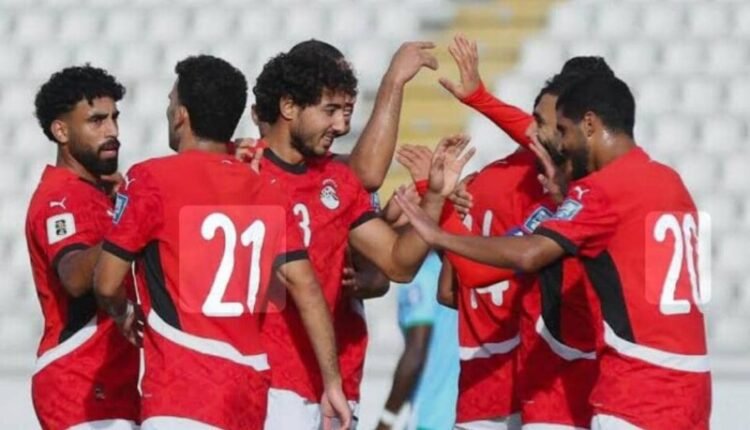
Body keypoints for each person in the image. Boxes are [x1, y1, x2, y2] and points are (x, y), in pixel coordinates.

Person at [397, 75, 711, 430]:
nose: (560, 143)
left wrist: (439, 233)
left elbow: (527, 254)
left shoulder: (600, 193)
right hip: (692, 388)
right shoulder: (669, 181)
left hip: (630, 393)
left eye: (563, 130)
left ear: (589, 124)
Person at [92, 55, 351, 429]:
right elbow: (307, 288)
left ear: (181, 115)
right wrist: (333, 383)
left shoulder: (151, 179)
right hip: (248, 394)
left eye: (171, 102)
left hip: (183, 395)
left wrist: (123, 313)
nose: (169, 110)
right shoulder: (265, 188)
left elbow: (105, 282)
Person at [252, 46, 472, 429]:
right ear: (288, 107)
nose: (340, 127)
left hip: (334, 389)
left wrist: (434, 199)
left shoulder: (338, 182)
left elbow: (398, 265)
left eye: (346, 112)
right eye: (330, 111)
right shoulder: (239, 172)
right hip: (265, 383)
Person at [25, 65, 140, 429]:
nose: (112, 131)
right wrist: (138, 221)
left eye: (114, 118)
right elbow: (74, 276)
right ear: (61, 131)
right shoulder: (60, 197)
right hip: (79, 381)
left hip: (111, 383)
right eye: (96, 121)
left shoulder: (97, 193)